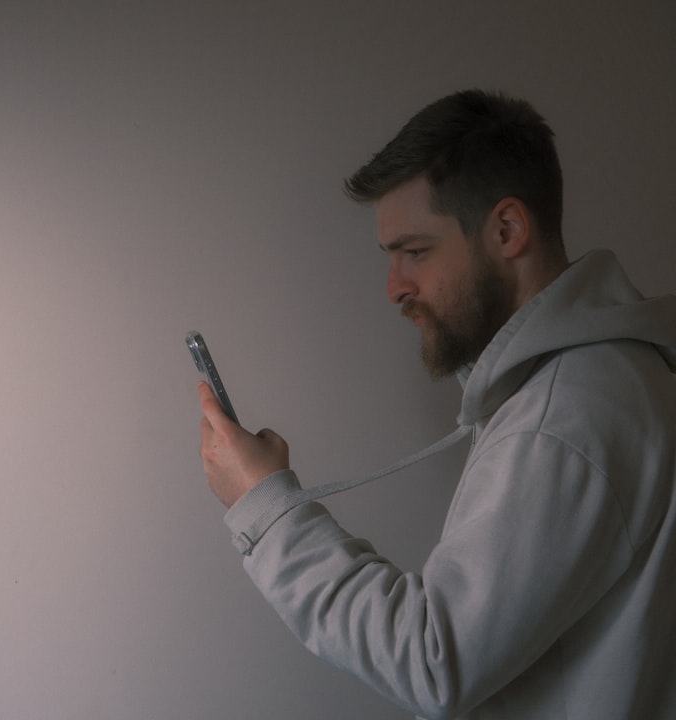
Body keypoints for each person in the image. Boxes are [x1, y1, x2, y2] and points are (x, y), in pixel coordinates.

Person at [196, 89, 676, 719]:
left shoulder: (563, 417)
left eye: (415, 252)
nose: (395, 287)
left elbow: (432, 663)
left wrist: (265, 507)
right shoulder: (609, 378)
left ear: (507, 230)